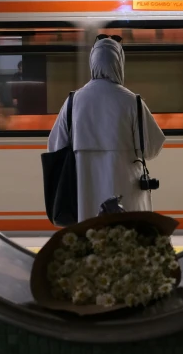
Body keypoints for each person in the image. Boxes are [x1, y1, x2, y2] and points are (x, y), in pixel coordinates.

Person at [48, 35, 165, 220]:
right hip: (127, 191)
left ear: (92, 62)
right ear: (120, 63)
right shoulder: (132, 101)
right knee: (125, 236)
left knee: (90, 236)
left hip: (83, 192)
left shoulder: (73, 101)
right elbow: (150, 150)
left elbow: (55, 148)